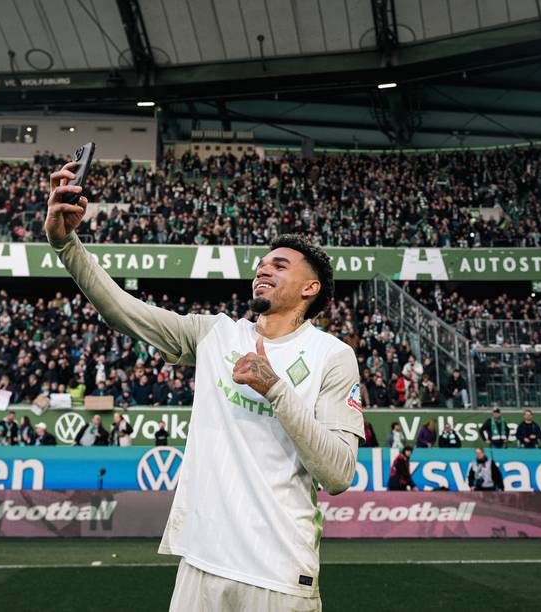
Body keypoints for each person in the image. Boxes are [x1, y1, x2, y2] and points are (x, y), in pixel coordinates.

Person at [46, 161, 362, 610]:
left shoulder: (333, 355)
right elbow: (123, 310)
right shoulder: (216, 334)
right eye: (261, 263)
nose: (263, 269)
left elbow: (339, 474)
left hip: (278, 572)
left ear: (311, 287)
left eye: (280, 264)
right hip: (201, 563)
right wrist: (65, 245)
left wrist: (276, 390)